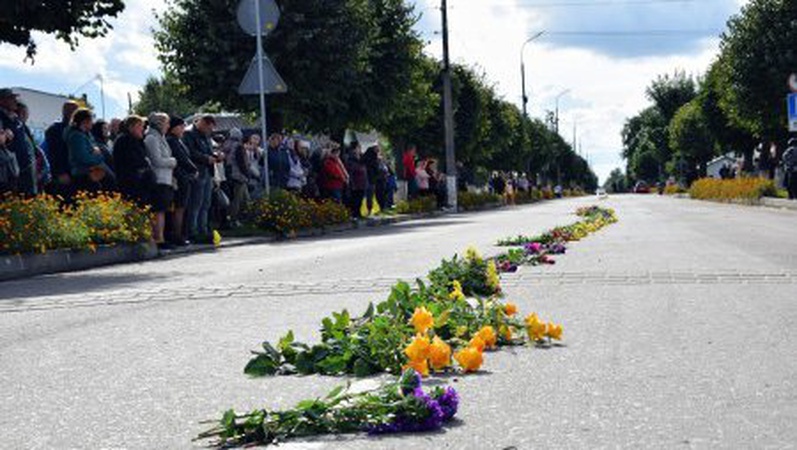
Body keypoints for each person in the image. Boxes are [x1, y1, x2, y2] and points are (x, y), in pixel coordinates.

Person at [143, 112, 177, 248]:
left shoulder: (160, 137)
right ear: (159, 123)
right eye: (166, 123)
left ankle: (161, 237)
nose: (168, 126)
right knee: (158, 210)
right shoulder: (152, 138)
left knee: (162, 210)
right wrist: (173, 161)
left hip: (166, 178)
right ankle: (158, 239)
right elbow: (156, 160)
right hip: (158, 178)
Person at [184, 115, 218, 240]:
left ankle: (202, 230)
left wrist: (216, 155)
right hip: (197, 172)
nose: (210, 131)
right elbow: (190, 152)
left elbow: (208, 151)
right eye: (209, 128)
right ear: (203, 123)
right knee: (196, 203)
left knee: (206, 203)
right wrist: (206, 158)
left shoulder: (206, 135)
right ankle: (193, 231)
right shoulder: (188, 134)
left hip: (207, 172)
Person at [166, 115, 197, 246]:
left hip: (183, 176)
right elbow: (182, 158)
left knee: (182, 207)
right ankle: (177, 235)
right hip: (180, 177)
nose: (183, 128)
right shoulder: (172, 141)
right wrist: (194, 169)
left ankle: (181, 234)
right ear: (174, 127)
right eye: (181, 126)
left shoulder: (178, 140)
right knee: (180, 207)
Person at [0, 88, 37, 195]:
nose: (15, 101)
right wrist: (5, 135)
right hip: (9, 172)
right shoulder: (2, 118)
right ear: (2, 100)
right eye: (11, 98)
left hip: (25, 169)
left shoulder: (16, 119)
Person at [113, 115, 154, 207]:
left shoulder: (137, 140)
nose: (143, 129)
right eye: (139, 126)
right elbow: (135, 161)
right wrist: (146, 162)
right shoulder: (124, 140)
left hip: (141, 184)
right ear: (131, 127)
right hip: (131, 184)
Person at [45, 100, 80, 199]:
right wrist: (60, 172)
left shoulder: (76, 129)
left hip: (76, 172)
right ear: (65, 111)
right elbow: (54, 153)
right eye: (72, 110)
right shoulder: (55, 129)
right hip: (63, 173)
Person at [66, 108, 106, 193]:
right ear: (85, 121)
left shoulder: (85, 135)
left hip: (88, 173)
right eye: (92, 119)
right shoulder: (77, 136)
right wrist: (99, 157)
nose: (93, 122)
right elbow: (84, 158)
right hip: (83, 175)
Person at [17, 102, 51, 193]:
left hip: (35, 170)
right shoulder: (18, 128)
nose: (24, 115)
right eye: (22, 113)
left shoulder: (25, 129)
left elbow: (34, 148)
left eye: (25, 113)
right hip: (24, 172)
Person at [228, 128, 258, 225]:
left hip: (231, 174)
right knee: (237, 199)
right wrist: (247, 174)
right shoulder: (239, 146)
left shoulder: (227, 144)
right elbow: (242, 163)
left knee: (246, 199)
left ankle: (247, 219)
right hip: (239, 176)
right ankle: (234, 220)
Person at [346, 142, 368, 218]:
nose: (360, 149)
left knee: (360, 199)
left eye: (360, 147)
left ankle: (358, 213)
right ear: (354, 149)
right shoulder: (351, 158)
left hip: (362, 182)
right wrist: (352, 184)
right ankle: (354, 214)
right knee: (355, 199)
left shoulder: (361, 158)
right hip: (355, 182)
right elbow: (351, 171)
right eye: (358, 148)